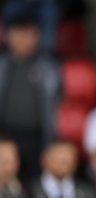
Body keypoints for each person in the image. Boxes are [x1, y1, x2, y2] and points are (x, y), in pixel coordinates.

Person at [0, 10, 61, 181]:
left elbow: (54, 107)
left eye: (28, 34)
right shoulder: (2, 66)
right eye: (18, 33)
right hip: (5, 138)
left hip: (37, 139)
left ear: (37, 36)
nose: (22, 39)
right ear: (8, 35)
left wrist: (50, 143)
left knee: (35, 186)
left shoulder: (48, 68)